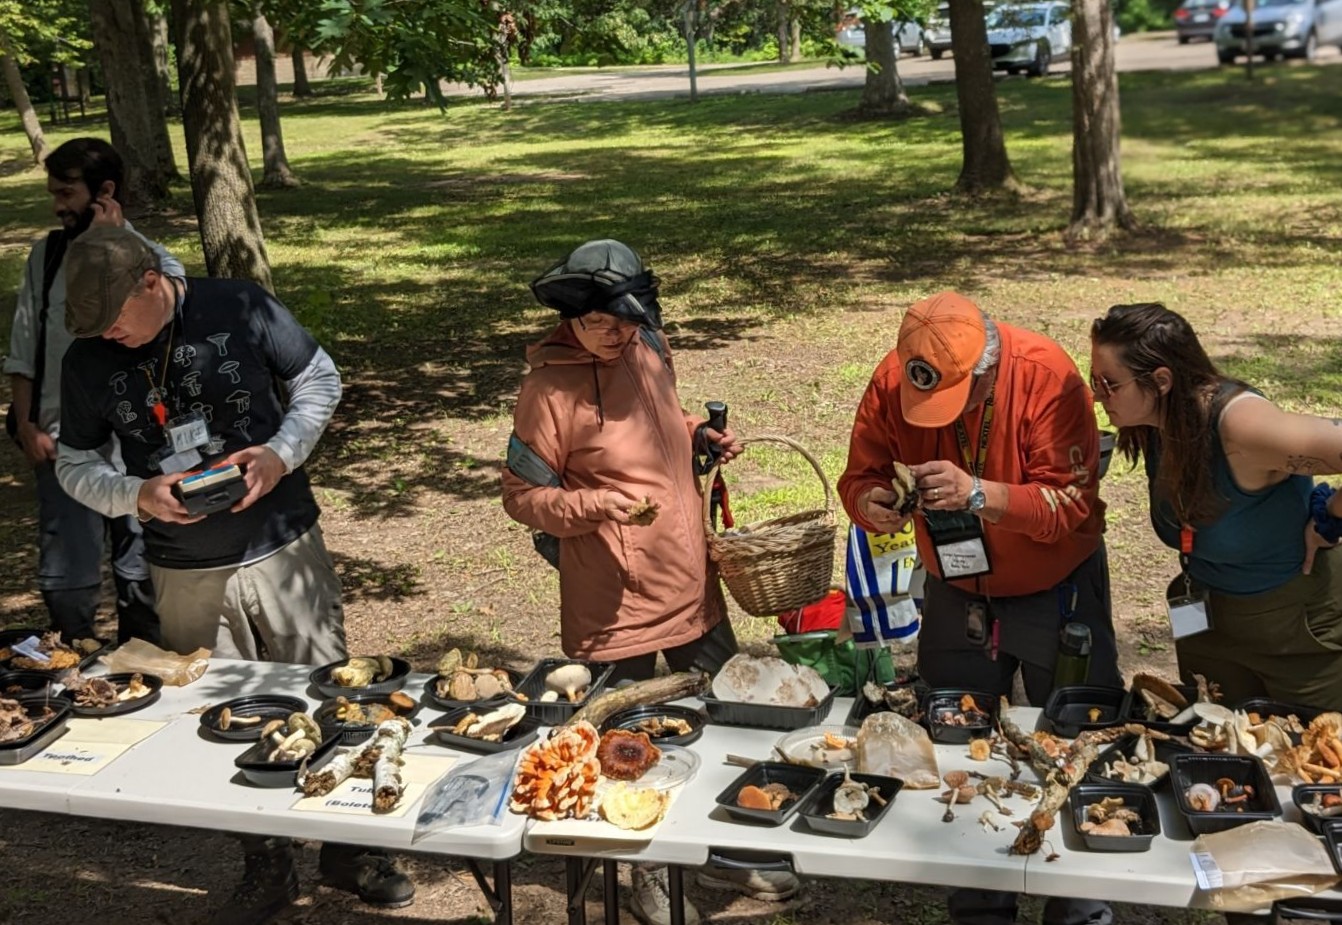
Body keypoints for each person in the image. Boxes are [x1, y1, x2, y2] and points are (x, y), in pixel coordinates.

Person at [53, 225, 414, 925]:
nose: (108, 336)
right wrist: (135, 494)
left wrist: (280, 453)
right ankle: (266, 865)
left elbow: (319, 377)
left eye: (116, 320)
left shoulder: (237, 306)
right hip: (183, 568)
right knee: (223, 719)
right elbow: (73, 463)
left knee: (330, 694)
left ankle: (350, 849)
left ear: (150, 282)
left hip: (283, 546)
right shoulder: (87, 359)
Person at [500, 239, 798, 925]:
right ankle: (643, 874)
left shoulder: (649, 344)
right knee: (621, 740)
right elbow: (520, 496)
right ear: (573, 317)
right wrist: (593, 505)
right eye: (606, 321)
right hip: (615, 595)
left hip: (691, 576)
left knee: (730, 712)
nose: (620, 331)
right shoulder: (546, 391)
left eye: (630, 319)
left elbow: (663, 424)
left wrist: (698, 436)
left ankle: (726, 840)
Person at [840, 291, 1118, 925]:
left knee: (1073, 738)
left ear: (988, 368)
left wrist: (980, 494)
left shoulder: (1047, 376)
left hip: (1055, 586)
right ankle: (978, 900)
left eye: (953, 396)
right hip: (956, 591)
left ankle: (1079, 902)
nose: (929, 411)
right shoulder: (895, 377)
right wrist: (871, 502)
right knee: (960, 742)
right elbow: (859, 474)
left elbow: (1072, 506)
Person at [1088, 303, 1342, 722]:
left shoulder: (1242, 426)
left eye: (1108, 383)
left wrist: (1331, 517)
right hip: (1212, 617)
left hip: (1302, 625)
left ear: (1161, 380)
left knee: (1326, 765)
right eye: (1094, 379)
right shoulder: (1157, 419)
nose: (1097, 395)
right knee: (1223, 755)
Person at [4, 137, 168, 646]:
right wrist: (27, 424)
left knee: (141, 567)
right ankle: (70, 672)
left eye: (67, 192)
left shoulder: (150, 259)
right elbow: (25, 342)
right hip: (61, 440)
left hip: (137, 447)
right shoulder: (47, 255)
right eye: (53, 193)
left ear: (105, 191)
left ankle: (144, 668)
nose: (58, 205)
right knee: (66, 573)